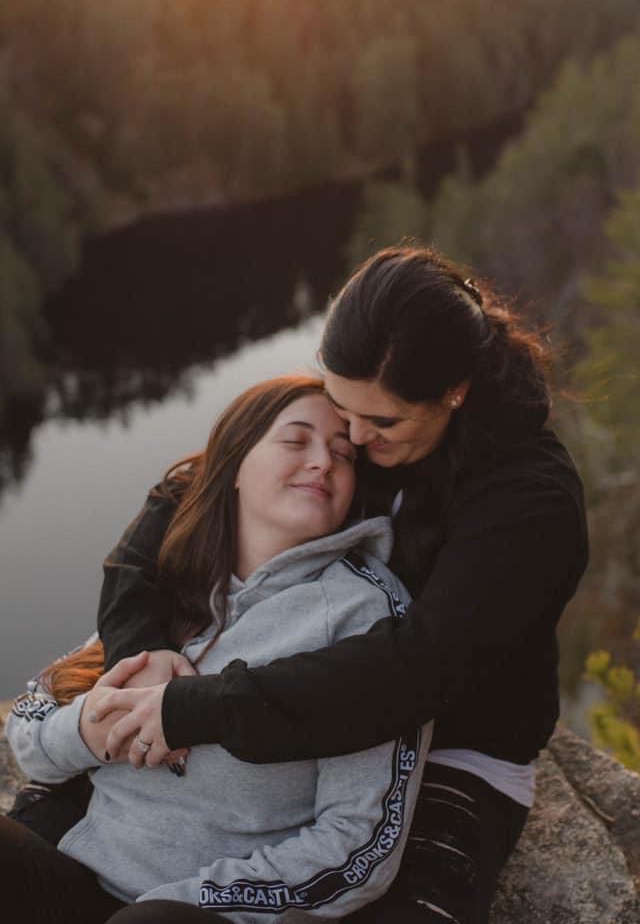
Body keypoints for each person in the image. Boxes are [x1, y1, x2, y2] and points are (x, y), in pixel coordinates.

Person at [86, 245, 589, 924]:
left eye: (380, 423)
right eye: (341, 408)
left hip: (451, 755)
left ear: (455, 391)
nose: (351, 436)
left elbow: (415, 672)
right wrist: (143, 661)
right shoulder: (361, 419)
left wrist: (202, 708)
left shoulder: (530, 504)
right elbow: (182, 499)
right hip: (287, 724)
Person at [3, 375, 432, 924]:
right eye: (296, 441)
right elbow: (31, 732)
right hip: (76, 877)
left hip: (205, 912)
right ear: (233, 465)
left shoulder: (366, 614)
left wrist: (183, 902)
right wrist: (87, 730)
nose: (323, 462)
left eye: (343, 454)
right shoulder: (169, 581)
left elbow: (359, 844)